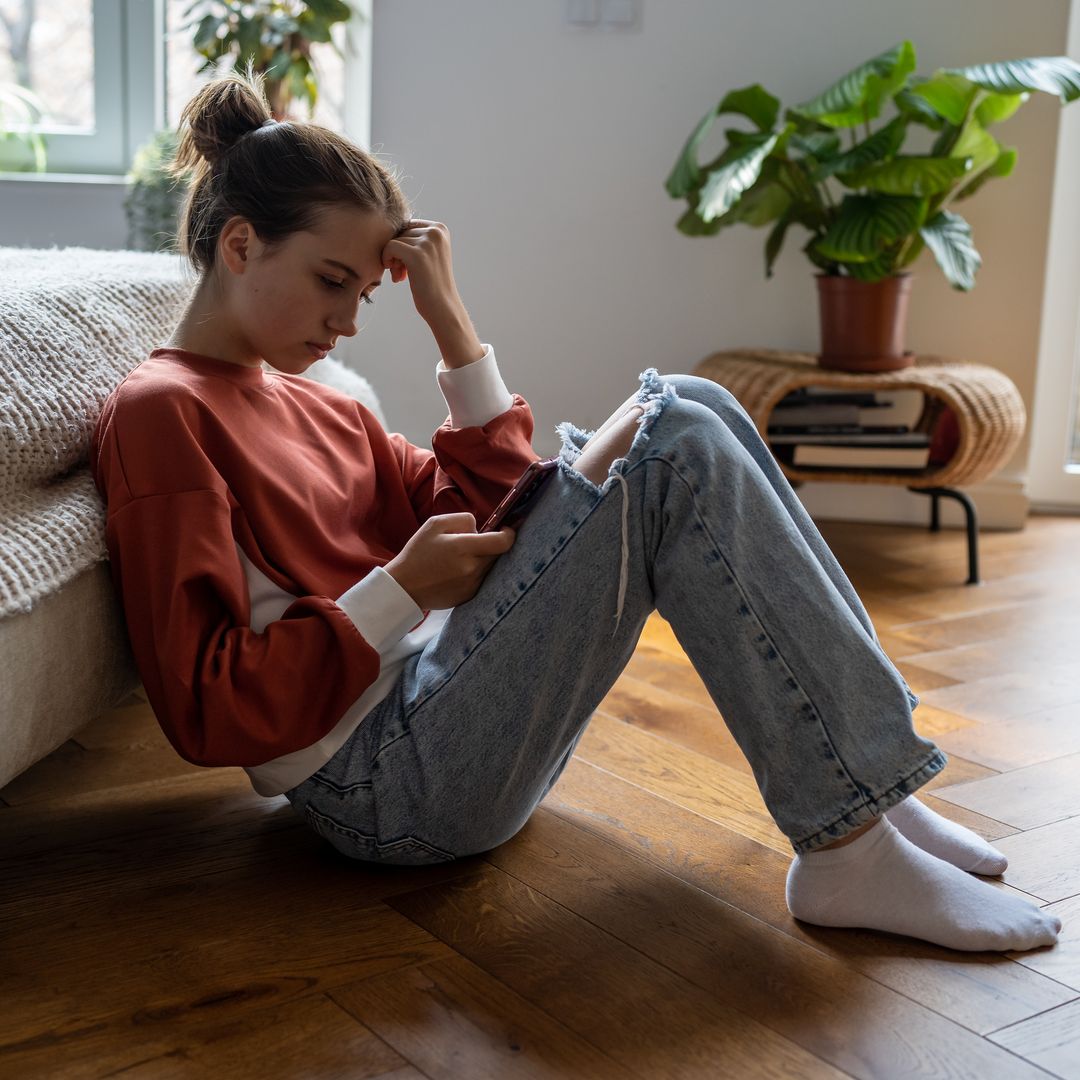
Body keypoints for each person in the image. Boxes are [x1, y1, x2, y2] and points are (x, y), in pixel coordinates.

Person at [90, 69, 1060, 955]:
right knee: (671, 439)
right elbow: (204, 702)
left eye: (363, 294)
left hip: (441, 701)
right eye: (331, 282)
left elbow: (497, 505)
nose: (347, 319)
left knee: (689, 400)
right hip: (385, 791)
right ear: (240, 244)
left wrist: (451, 322)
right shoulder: (164, 413)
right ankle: (850, 842)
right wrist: (395, 593)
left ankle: (871, 795)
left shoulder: (319, 399)